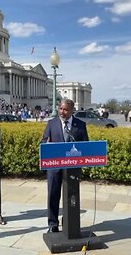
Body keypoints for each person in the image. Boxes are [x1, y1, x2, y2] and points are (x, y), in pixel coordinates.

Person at [41, 98, 89, 233]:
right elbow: (44, 141)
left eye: (65, 110)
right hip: (54, 167)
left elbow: (85, 145)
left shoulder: (80, 125)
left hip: (72, 169)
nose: (62, 112)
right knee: (53, 195)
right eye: (60, 109)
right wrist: (47, 144)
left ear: (72, 110)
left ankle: (68, 222)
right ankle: (52, 224)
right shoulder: (52, 123)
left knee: (71, 196)